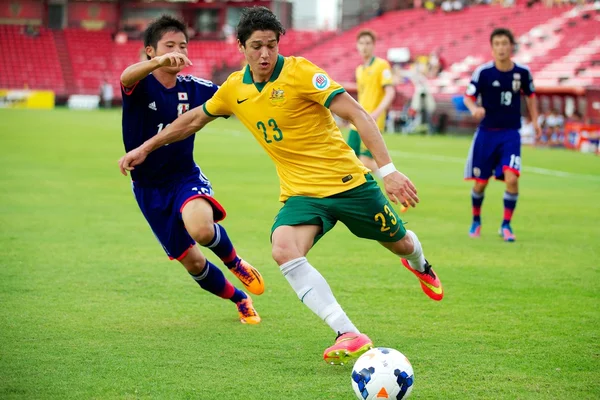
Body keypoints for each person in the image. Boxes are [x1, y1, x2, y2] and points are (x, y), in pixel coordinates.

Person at [119, 7, 443, 365]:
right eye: (256, 46)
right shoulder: (234, 89)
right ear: (241, 47)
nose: (264, 54)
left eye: (271, 45)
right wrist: (145, 148)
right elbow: (192, 120)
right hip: (303, 195)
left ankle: (420, 263)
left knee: (400, 243)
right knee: (284, 249)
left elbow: (356, 113)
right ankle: (347, 331)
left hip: (350, 185)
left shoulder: (301, 72)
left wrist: (389, 171)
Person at [119, 15, 264, 325]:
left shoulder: (196, 88)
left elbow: (236, 96)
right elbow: (126, 76)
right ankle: (240, 298)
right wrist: (157, 63)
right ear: (150, 50)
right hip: (148, 188)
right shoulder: (140, 84)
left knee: (200, 227)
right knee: (194, 263)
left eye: (182, 46)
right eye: (169, 45)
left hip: (184, 176)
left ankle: (235, 262)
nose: (177, 52)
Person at [463, 28, 541, 242]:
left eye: (504, 43)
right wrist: (474, 109)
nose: (500, 48)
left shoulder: (522, 73)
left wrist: (535, 120)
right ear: (492, 48)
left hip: (510, 134)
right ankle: (476, 221)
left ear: (511, 46)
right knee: (480, 183)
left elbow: (531, 96)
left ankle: (506, 224)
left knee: (512, 179)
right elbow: (468, 97)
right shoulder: (483, 73)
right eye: (496, 44)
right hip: (486, 135)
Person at [347, 30, 395, 177]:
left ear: (374, 45)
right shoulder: (360, 70)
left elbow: (390, 92)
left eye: (368, 43)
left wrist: (377, 113)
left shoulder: (382, 65)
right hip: (356, 119)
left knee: (365, 160)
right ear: (357, 46)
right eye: (361, 43)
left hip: (372, 120)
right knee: (349, 159)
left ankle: (393, 177)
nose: (364, 47)